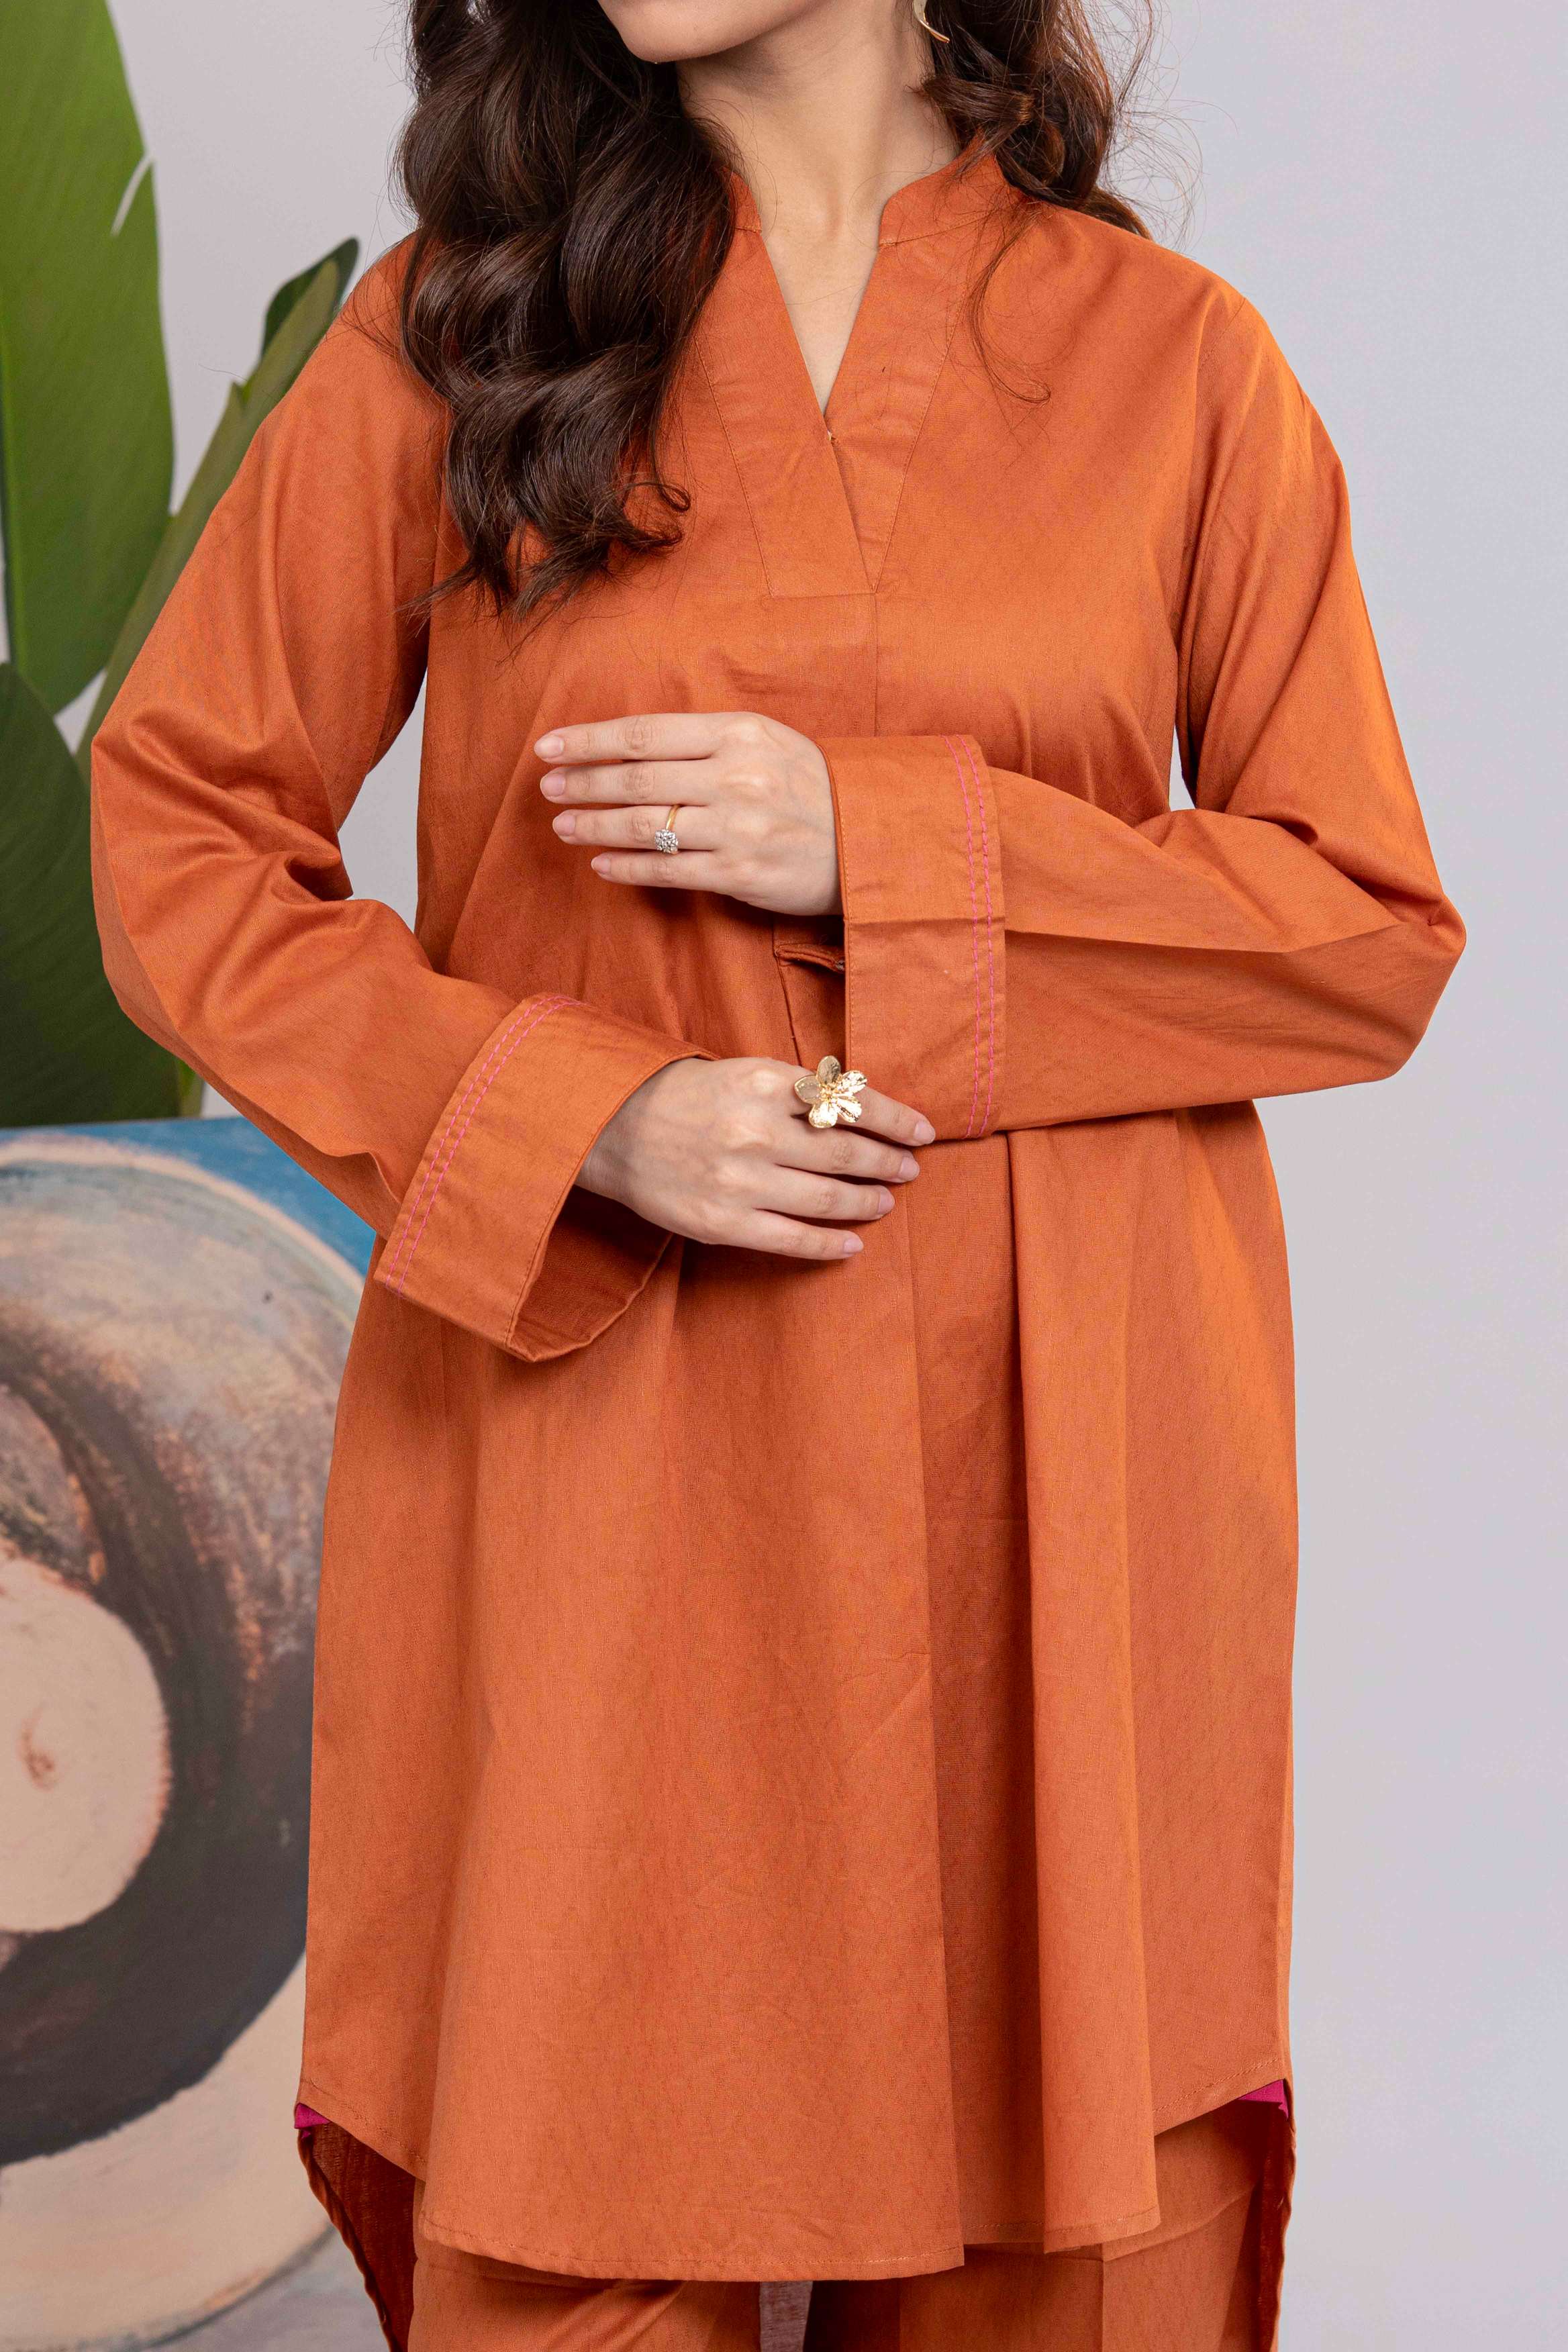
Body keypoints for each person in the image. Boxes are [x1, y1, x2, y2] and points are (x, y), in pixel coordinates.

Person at [89, 1, 1465, 2345]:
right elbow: (183, 832)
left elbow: (1361, 931)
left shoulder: (1174, 364)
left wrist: (890, 849)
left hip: (1066, 1492)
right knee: (583, 2199)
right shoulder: (466, 333)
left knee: (1067, 2240)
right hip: (613, 1469)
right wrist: (577, 1115)